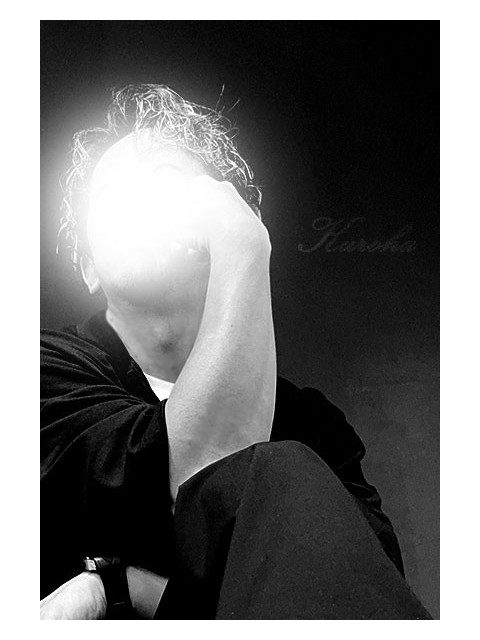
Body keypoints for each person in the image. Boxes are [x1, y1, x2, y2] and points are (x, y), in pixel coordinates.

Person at [40, 84, 432, 619]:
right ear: (88, 266)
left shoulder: (314, 426)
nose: (136, 200)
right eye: (109, 194)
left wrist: (119, 585)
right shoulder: (45, 372)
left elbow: (353, 587)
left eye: (166, 179)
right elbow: (199, 486)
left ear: (224, 215)